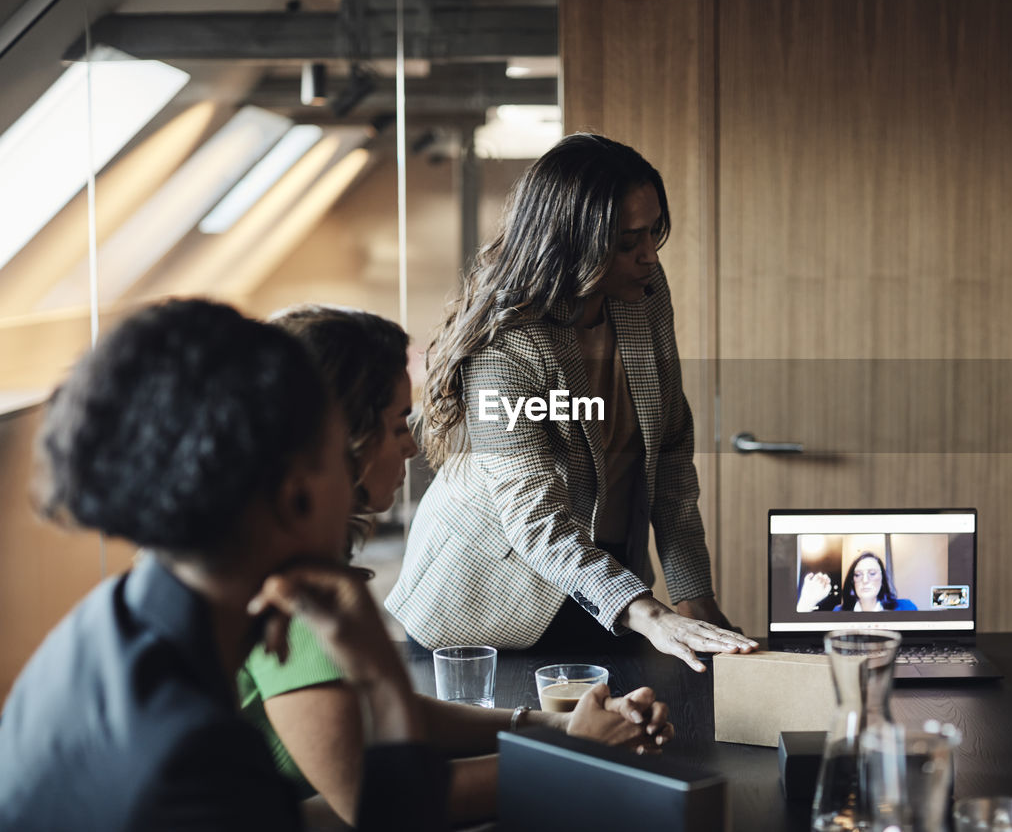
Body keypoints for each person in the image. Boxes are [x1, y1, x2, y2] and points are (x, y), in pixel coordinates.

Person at [0, 299, 443, 830]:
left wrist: (377, 675)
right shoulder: (198, 764)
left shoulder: (107, 620)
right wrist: (385, 682)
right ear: (296, 495)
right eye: (336, 458)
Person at [240, 305, 672, 825]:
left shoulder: (298, 557)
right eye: (399, 420)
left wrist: (555, 727)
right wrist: (578, 754)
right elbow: (387, 806)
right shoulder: (286, 589)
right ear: (341, 435)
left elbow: (382, 718)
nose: (411, 443)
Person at [387, 133, 756, 671]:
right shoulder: (504, 349)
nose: (649, 255)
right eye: (629, 239)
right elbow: (535, 519)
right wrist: (652, 615)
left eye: (654, 232)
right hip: (487, 604)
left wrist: (693, 593)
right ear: (571, 241)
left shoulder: (643, 294)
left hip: (608, 587)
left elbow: (669, 447)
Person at [798, 552, 918, 613]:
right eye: (858, 575)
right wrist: (807, 601)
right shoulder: (839, 612)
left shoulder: (906, 607)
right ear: (852, 581)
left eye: (872, 573)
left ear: (882, 580)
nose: (865, 580)